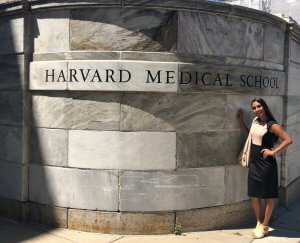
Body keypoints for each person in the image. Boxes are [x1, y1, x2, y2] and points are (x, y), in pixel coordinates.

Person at [236, 98, 292, 239]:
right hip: (254, 163)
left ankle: (265, 226)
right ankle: (259, 221)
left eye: (259, 106)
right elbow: (249, 136)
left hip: (267, 165)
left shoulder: (271, 125)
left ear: (264, 106)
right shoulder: (255, 121)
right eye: (254, 107)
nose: (257, 109)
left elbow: (288, 139)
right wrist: (240, 121)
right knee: (253, 195)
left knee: (267, 197)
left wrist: (273, 152)